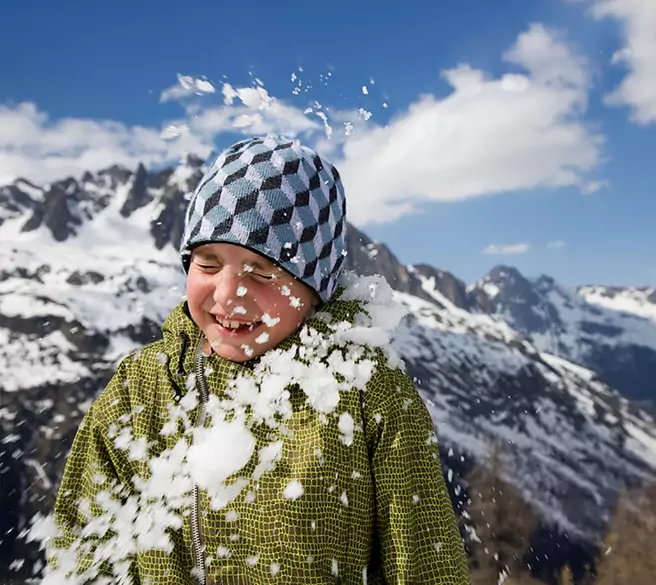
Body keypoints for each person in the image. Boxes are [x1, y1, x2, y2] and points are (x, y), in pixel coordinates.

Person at [43, 136, 471, 585]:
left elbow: (427, 563)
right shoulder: (141, 387)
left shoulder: (367, 393)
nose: (228, 294)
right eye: (208, 265)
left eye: (264, 272)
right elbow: (84, 554)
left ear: (314, 287)